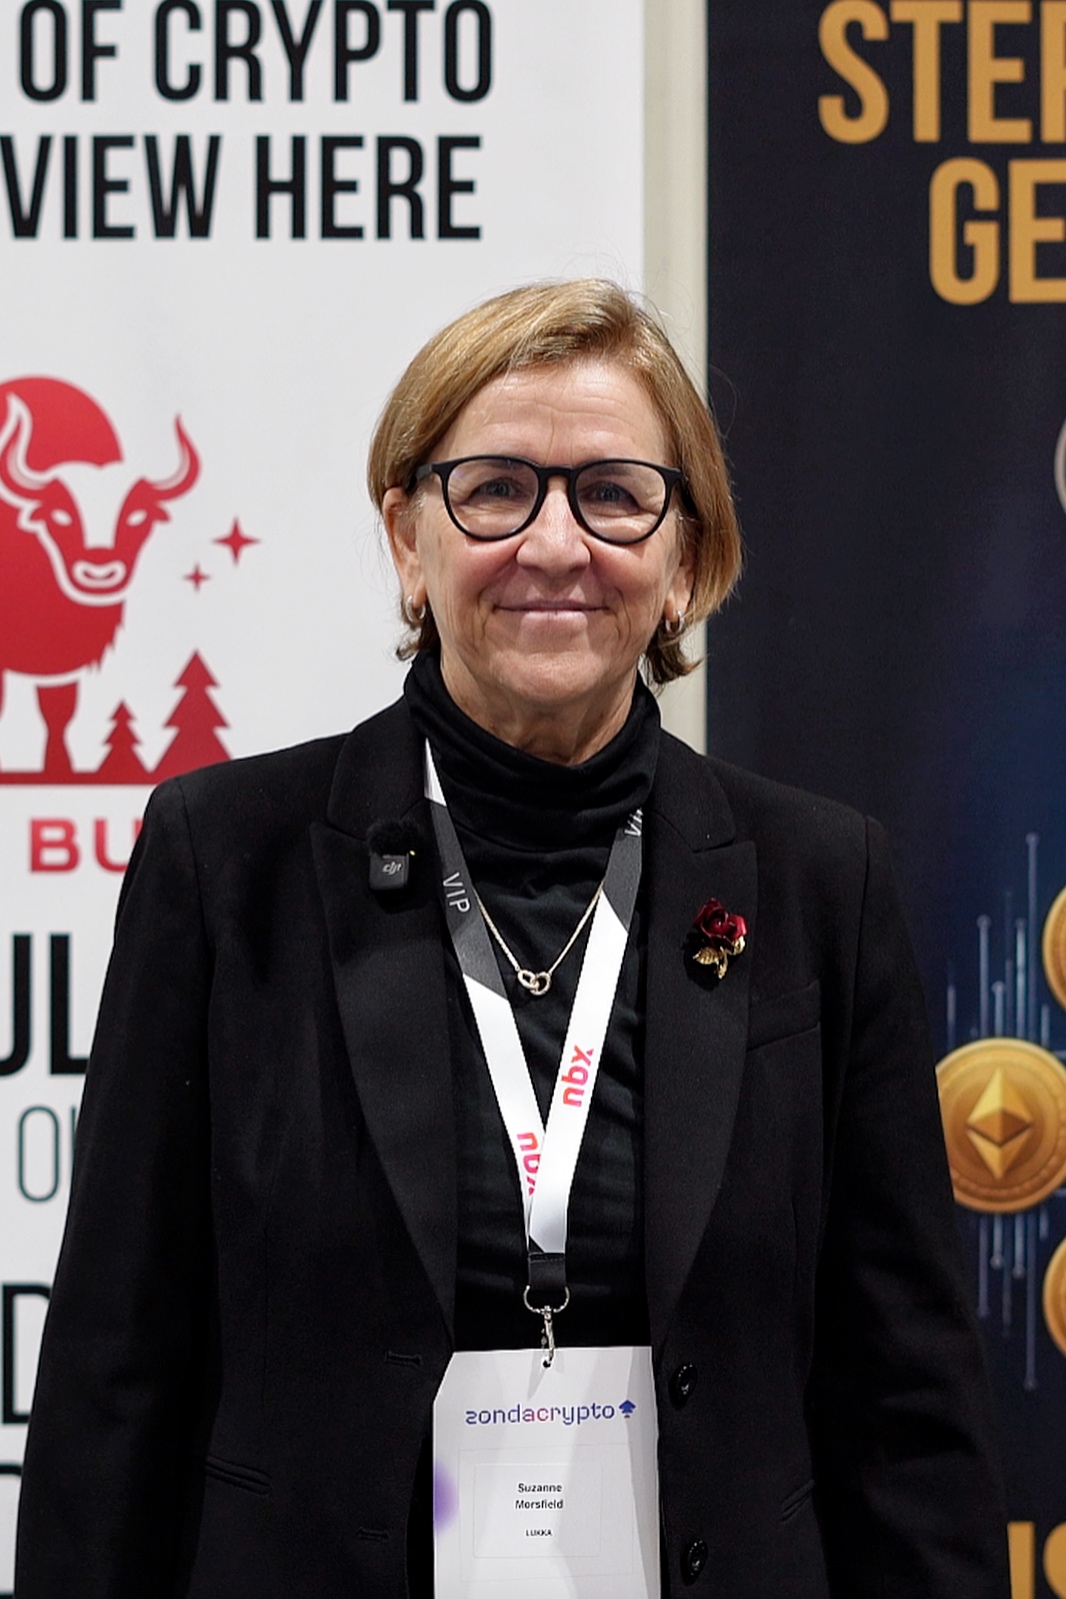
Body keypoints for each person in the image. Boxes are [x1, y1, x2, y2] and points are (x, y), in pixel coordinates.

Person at [15, 280, 1008, 1598]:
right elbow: (114, 1371)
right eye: (494, 490)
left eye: (612, 494)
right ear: (406, 538)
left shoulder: (821, 881)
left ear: (685, 558)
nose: (553, 544)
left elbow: (904, 1402)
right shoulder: (226, 860)